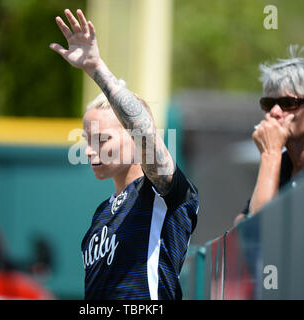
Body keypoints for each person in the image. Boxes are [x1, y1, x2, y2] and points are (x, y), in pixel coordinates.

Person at [50, 9, 199, 300]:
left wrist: (96, 69)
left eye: (102, 139)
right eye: (87, 140)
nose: (90, 150)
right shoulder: (101, 214)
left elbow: (145, 131)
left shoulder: (161, 193)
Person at [235, 46, 304, 225]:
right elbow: (244, 225)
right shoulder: (281, 165)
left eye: (288, 103)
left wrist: (270, 153)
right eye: (268, 103)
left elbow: (262, 230)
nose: (274, 112)